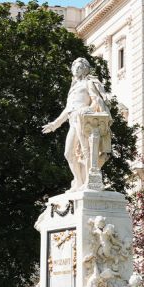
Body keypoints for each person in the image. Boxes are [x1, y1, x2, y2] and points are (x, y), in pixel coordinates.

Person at [42, 58, 112, 190]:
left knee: (86, 151)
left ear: (85, 69)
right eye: (74, 67)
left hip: (84, 120)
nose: (76, 70)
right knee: (68, 153)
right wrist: (54, 124)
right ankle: (79, 181)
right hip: (73, 121)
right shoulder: (73, 88)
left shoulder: (88, 83)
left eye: (79, 67)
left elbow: (96, 100)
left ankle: (88, 181)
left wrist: (89, 109)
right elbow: (68, 109)